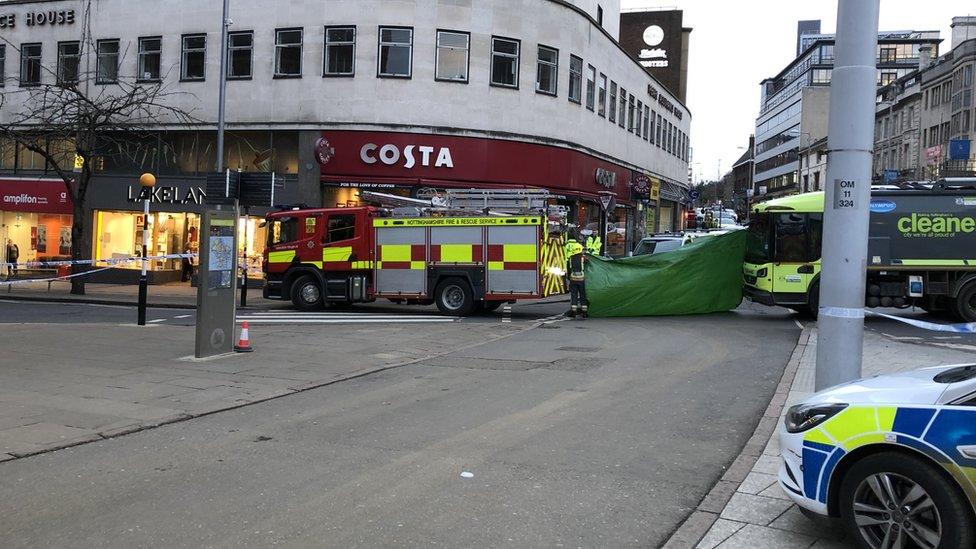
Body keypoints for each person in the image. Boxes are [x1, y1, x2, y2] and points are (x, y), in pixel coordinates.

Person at [564, 236, 588, 318]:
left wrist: (568, 277)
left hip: (573, 278)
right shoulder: (583, 258)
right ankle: (584, 312)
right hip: (581, 279)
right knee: (582, 295)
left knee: (574, 295)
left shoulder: (571, 258)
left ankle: (573, 311)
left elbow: (568, 269)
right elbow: (587, 262)